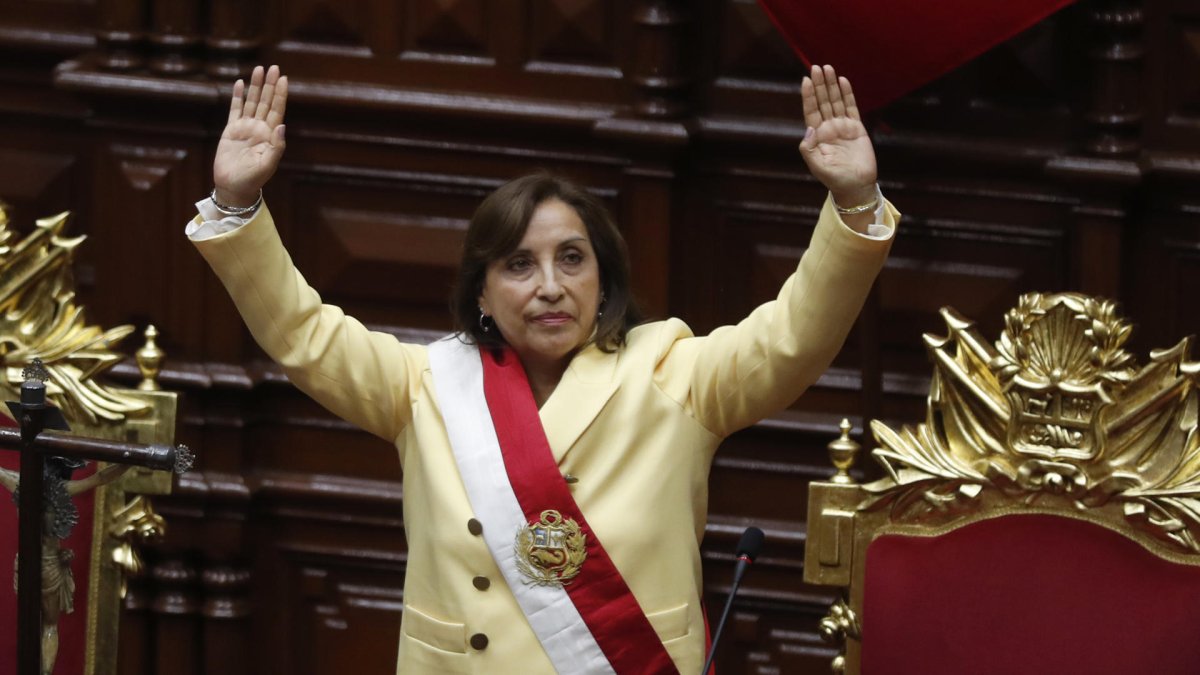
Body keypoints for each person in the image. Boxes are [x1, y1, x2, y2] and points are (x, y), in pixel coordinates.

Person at [188, 63, 897, 674]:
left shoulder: (675, 374)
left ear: (603, 279)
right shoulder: (424, 385)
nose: (550, 286)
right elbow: (302, 333)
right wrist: (237, 203)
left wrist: (853, 200)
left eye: (572, 259)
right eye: (520, 264)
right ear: (482, 292)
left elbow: (795, 337)